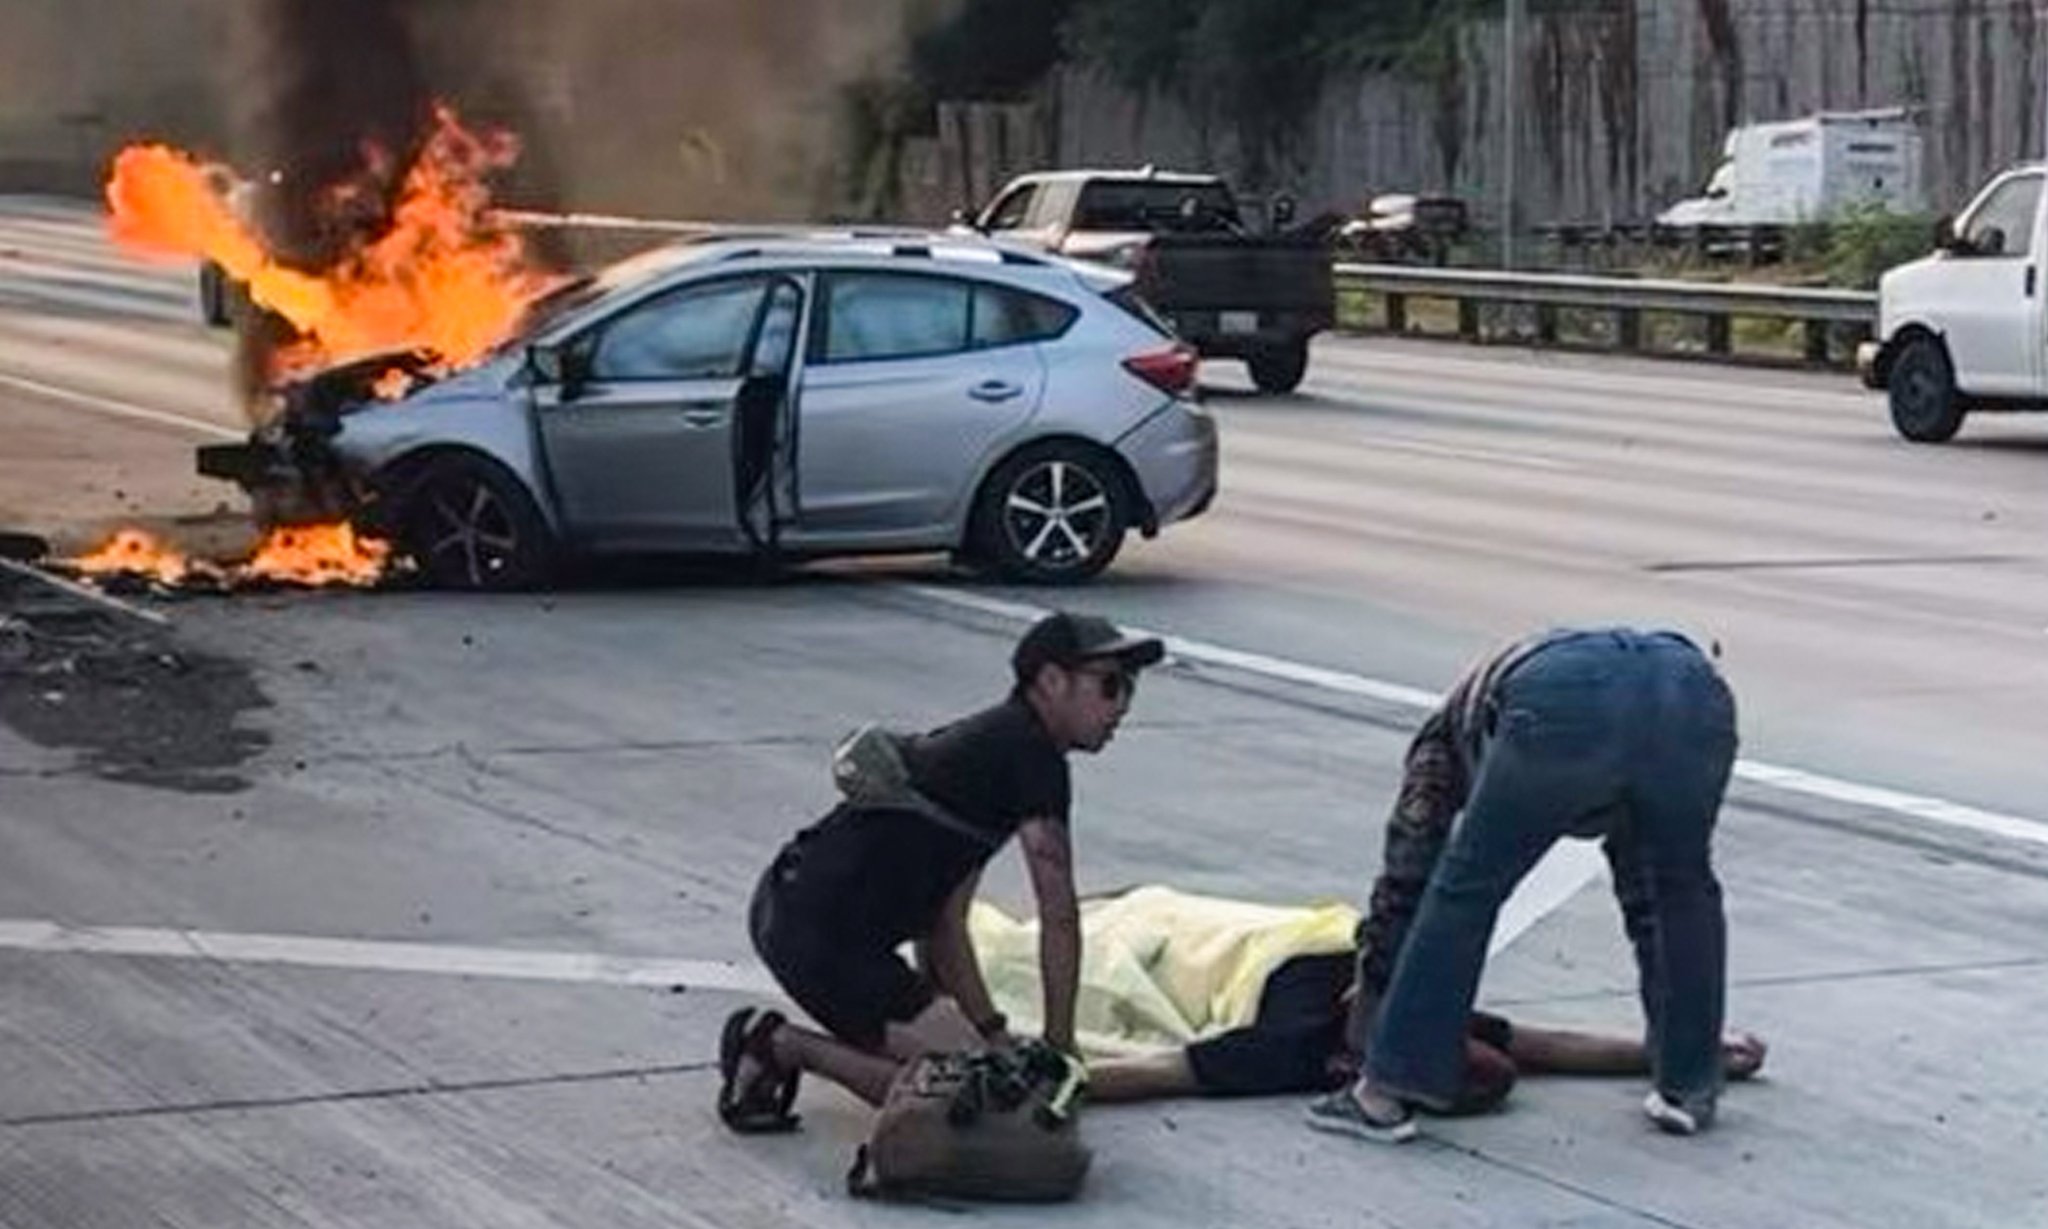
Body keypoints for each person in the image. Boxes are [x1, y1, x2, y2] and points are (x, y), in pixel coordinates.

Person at [716, 611, 1163, 1131]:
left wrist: (987, 1030)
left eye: (1130, 688)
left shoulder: (995, 746)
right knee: (978, 1096)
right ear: (1051, 681)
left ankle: (783, 1046)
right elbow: (1058, 913)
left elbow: (946, 921)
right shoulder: (1030, 756)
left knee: (990, 1074)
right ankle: (777, 1045)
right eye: (1110, 686)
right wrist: (1062, 1045)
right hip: (825, 939)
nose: (1122, 707)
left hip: (794, 911)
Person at [1307, 628, 1741, 1142]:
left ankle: (1385, 1096)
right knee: (1680, 888)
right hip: (1693, 694)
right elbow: (1650, 894)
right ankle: (1688, 1086)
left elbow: (1407, 879)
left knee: (1466, 891)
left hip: (1565, 700)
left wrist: (1374, 995)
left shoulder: (1439, 745)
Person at [1086, 952, 1765, 1108]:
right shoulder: (1306, 1044)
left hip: (1298, 958)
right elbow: (1554, 1046)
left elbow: (1157, 1071)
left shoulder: (1307, 1048)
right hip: (1276, 954)